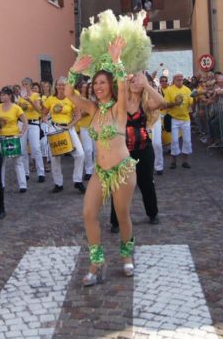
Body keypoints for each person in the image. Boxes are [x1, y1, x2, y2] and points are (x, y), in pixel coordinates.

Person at [66, 37, 138, 286]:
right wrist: (74, 71)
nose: (97, 86)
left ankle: (127, 255)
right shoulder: (93, 110)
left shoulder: (119, 110)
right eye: (95, 82)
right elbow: (68, 94)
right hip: (100, 171)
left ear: (110, 86)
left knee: (122, 214)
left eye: (102, 82)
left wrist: (117, 60)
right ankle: (97, 262)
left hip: (122, 170)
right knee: (88, 213)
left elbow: (123, 85)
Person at [110, 72, 164, 232]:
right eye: (132, 81)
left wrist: (147, 84)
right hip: (122, 150)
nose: (134, 83)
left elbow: (161, 101)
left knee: (146, 182)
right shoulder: (121, 103)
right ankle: (116, 221)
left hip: (144, 149)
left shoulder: (145, 103)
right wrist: (125, 82)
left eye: (137, 81)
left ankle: (152, 214)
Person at [44, 77, 85, 194]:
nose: (61, 87)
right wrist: (47, 122)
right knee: (54, 157)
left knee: (80, 154)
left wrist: (70, 125)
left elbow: (78, 116)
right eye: (59, 85)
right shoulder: (50, 99)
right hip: (54, 128)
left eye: (63, 85)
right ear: (55, 86)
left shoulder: (72, 98)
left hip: (68, 128)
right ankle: (58, 183)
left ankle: (77, 181)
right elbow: (43, 114)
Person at [0, 86, 29, 192]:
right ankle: (0, 184)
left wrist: (22, 132)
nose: (1, 96)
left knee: (18, 161)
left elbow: (25, 121)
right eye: (1, 95)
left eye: (3, 95)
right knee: (0, 162)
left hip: (14, 137)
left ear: (9, 96)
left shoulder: (16, 108)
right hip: (2, 137)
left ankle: (22, 185)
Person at [163, 72, 194, 169]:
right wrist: (175, 103)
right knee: (174, 141)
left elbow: (191, 103)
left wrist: (195, 97)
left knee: (187, 140)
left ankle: (185, 161)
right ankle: (173, 161)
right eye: (178, 78)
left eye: (181, 78)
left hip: (185, 118)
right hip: (174, 119)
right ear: (174, 79)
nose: (180, 79)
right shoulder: (169, 90)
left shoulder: (187, 90)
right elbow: (166, 104)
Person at [77, 81, 95, 181]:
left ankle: (97, 170)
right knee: (88, 150)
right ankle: (88, 171)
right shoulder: (82, 100)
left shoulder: (99, 99)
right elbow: (80, 114)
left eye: (92, 87)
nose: (91, 89)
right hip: (85, 127)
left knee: (97, 151)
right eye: (89, 87)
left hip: (97, 127)